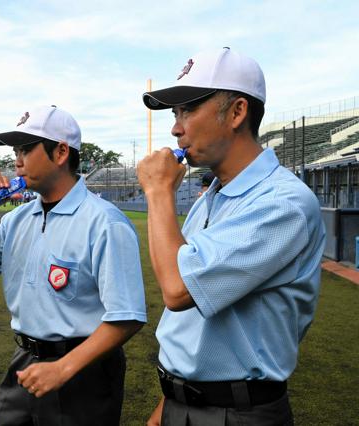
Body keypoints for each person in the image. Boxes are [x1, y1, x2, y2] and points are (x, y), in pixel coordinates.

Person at [137, 47, 325, 425]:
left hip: (237, 413)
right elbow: (195, 329)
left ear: (238, 112)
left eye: (188, 109)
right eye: (175, 113)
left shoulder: (283, 202)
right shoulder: (216, 193)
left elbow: (177, 290)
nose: (176, 127)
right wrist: (169, 402)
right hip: (185, 403)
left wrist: (159, 192)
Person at [0, 105, 147, 425]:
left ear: (60, 152)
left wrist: (63, 368)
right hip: (26, 360)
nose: (16, 160)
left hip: (85, 371)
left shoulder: (104, 222)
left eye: (26, 149)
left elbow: (127, 317)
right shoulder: (17, 219)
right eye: (15, 150)